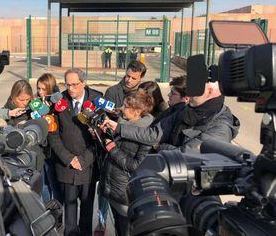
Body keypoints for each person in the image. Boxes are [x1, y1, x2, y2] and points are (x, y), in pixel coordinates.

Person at [102, 81, 240, 153]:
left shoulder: (220, 128)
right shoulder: (188, 109)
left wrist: (160, 147)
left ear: (209, 92)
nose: (189, 94)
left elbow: (186, 154)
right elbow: (155, 133)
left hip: (193, 193)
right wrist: (119, 128)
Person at [48, 68, 102, 236]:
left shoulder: (97, 99)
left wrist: (84, 160)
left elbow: (102, 136)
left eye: (74, 85)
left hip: (88, 167)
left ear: (83, 83)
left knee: (86, 212)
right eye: (67, 84)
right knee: (69, 217)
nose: (70, 89)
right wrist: (69, 158)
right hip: (67, 166)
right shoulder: (59, 102)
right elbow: (53, 135)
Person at [99, 91, 154, 236]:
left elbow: (136, 165)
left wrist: (112, 149)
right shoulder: (124, 124)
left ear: (137, 111)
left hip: (125, 193)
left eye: (126, 106)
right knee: (119, 228)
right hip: (112, 187)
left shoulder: (147, 133)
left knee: (127, 230)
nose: (122, 108)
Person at [36, 73, 63, 204]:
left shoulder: (58, 103)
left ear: (50, 88)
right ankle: (47, 210)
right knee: (44, 184)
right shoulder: (36, 103)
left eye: (43, 89)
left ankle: (58, 212)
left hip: (54, 150)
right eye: (38, 88)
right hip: (41, 149)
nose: (40, 92)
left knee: (54, 183)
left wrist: (48, 112)